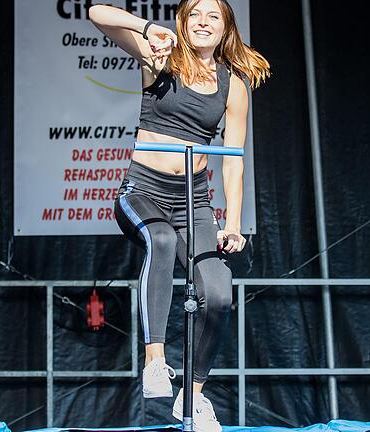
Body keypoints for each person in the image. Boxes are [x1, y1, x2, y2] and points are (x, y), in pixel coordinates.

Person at [90, 1, 269, 430]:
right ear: (182, 22)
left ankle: (193, 393)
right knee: (163, 241)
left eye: (213, 16)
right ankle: (156, 359)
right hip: (143, 191)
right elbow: (98, 13)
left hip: (194, 202)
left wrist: (232, 222)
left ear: (226, 26)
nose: (203, 22)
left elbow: (233, 160)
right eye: (194, 15)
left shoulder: (233, 84)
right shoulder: (160, 56)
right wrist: (148, 27)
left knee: (220, 291)